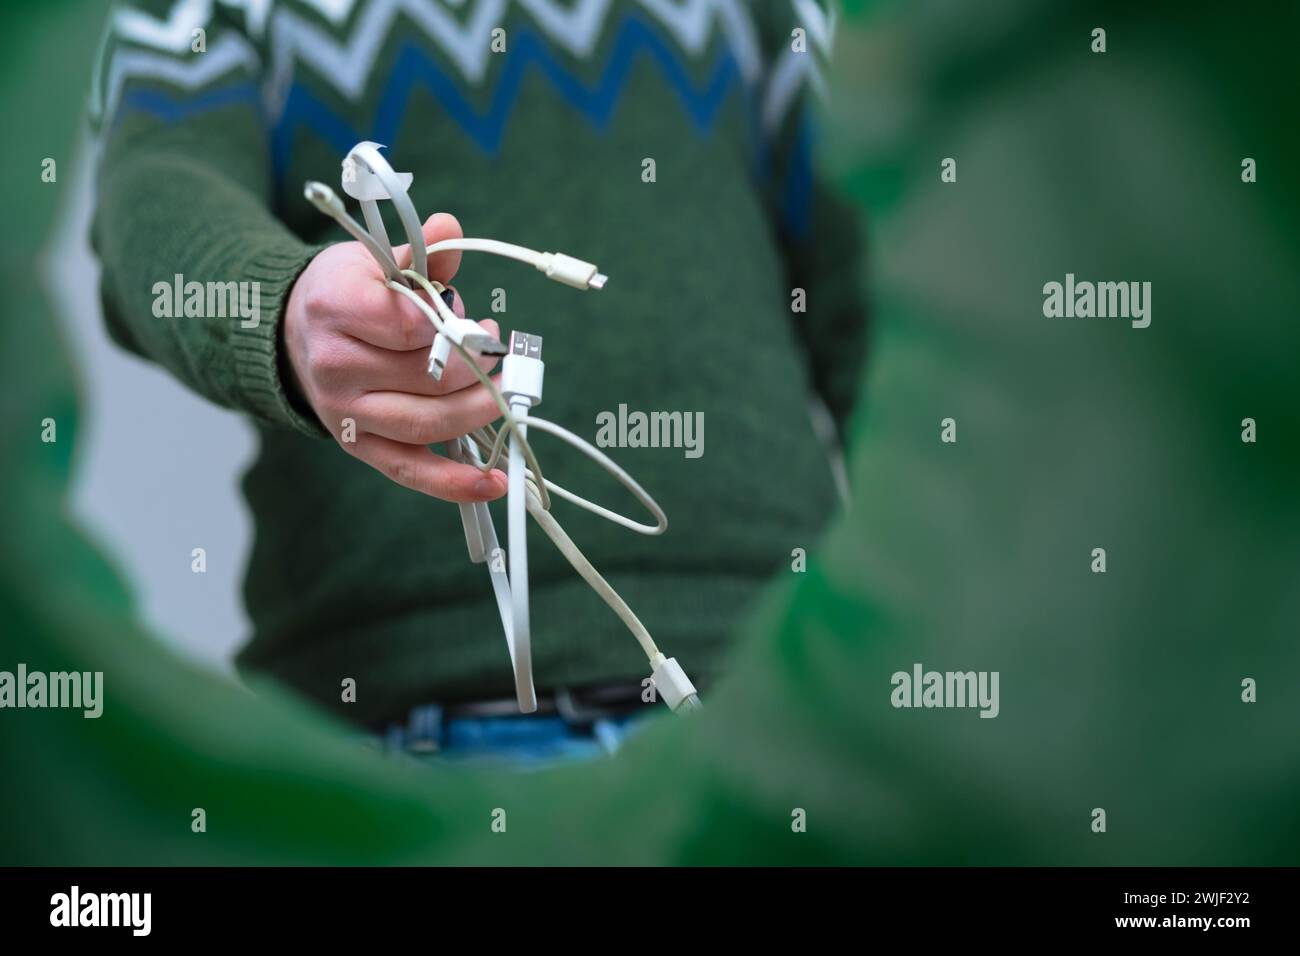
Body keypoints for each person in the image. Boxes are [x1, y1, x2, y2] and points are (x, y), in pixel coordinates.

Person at [90, 0, 866, 757]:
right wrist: (282, 307)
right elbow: (157, 184)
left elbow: (875, 288)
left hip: (786, 699)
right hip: (390, 717)